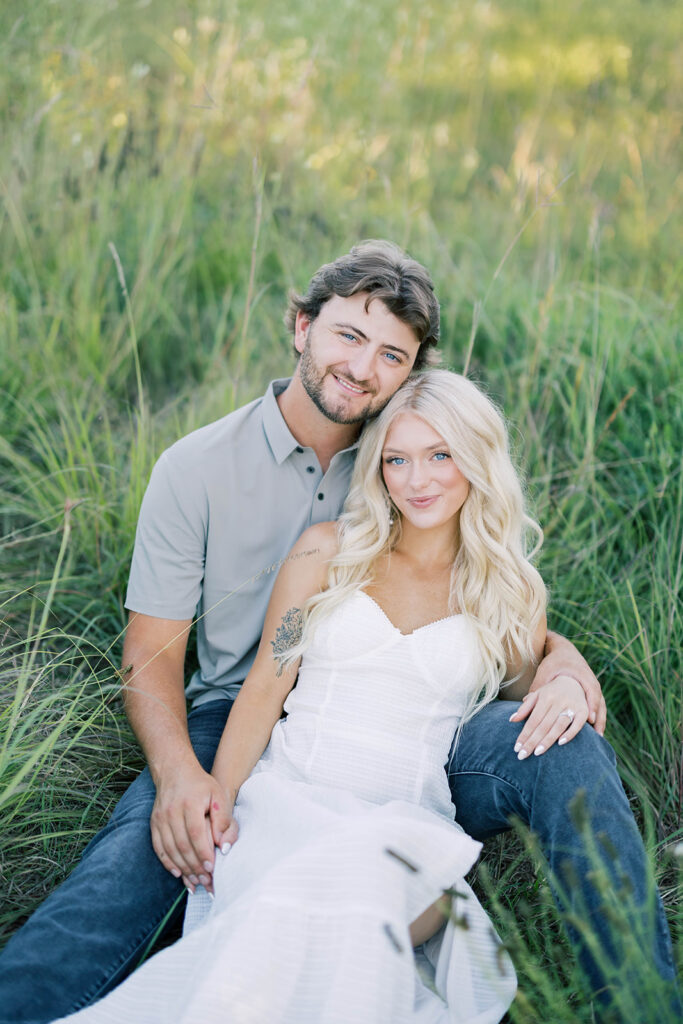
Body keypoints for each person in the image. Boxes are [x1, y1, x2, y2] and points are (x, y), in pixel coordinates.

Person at [0, 242, 676, 1021]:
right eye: (347, 336)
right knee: (124, 878)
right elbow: (159, 659)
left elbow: (513, 628)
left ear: (414, 375)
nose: (363, 368)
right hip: (248, 724)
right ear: (300, 328)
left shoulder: (406, 441)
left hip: (426, 745)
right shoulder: (203, 471)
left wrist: (565, 669)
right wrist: (190, 779)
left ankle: (639, 1005)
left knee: (564, 745)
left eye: (391, 353)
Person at [53, 369, 580, 1023]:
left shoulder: (510, 591)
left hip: (404, 827)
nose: (417, 480)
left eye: (439, 455)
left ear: (477, 457)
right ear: (378, 467)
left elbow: (529, 689)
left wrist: (570, 674)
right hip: (286, 802)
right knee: (292, 930)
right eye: (397, 459)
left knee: (353, 892)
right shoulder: (328, 553)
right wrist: (217, 802)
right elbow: (265, 688)